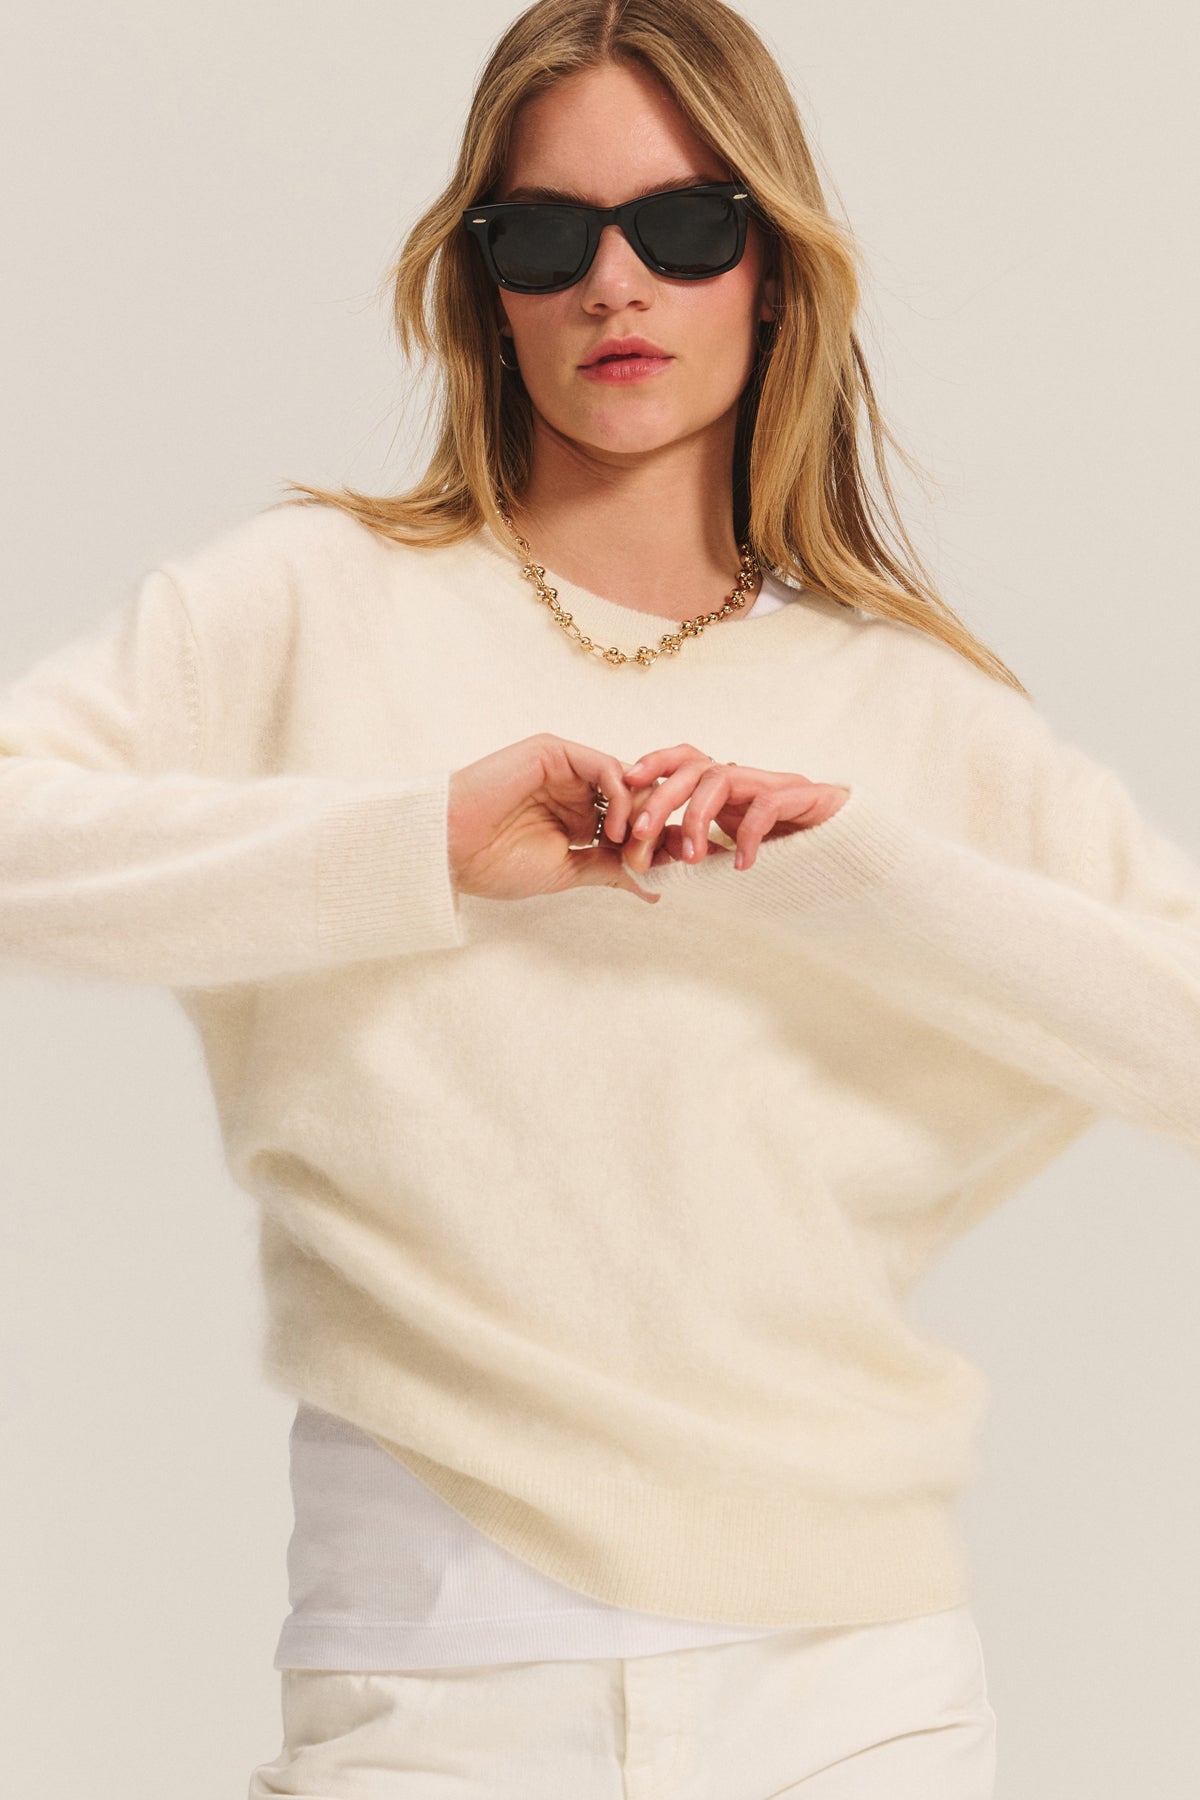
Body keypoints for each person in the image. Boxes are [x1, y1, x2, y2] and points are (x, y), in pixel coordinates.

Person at [2, 2, 1196, 1796]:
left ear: (773, 271)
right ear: (484, 285)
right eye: (545, 235)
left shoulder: (914, 712)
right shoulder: (313, 603)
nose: (614, 285)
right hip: (433, 1688)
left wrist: (850, 878)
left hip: (858, 1700)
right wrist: (413, 848)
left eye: (685, 227)